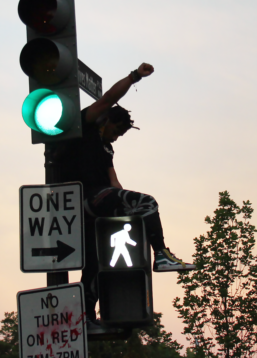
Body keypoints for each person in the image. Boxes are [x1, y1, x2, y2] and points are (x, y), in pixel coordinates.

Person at [48, 62, 194, 322]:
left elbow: (115, 184)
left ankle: (86, 316)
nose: (116, 137)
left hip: (96, 208)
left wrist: (129, 209)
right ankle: (161, 254)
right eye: (116, 131)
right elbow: (109, 99)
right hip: (84, 198)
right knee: (147, 202)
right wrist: (135, 76)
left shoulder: (106, 150)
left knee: (93, 263)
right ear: (106, 122)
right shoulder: (88, 126)